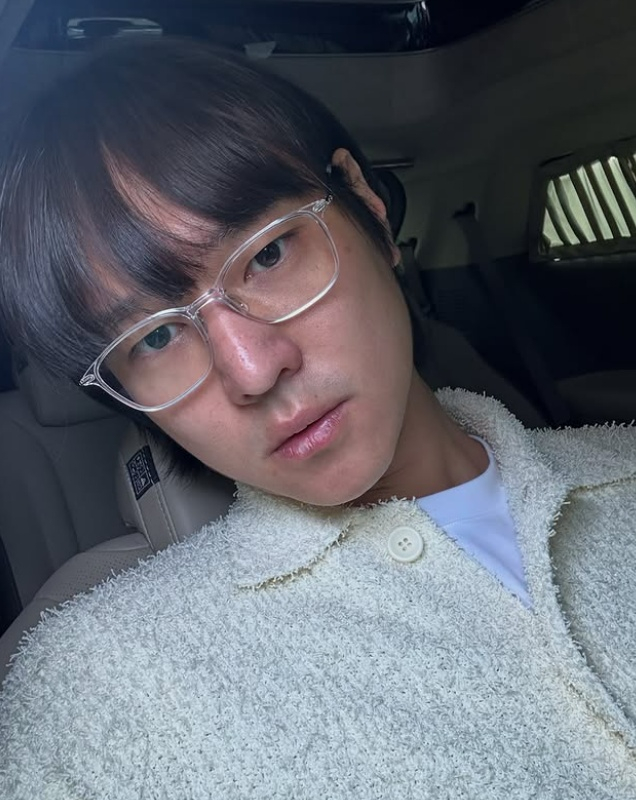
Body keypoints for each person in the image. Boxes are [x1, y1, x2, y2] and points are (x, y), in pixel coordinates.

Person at [0, 37, 635, 800]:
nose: (251, 370)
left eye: (268, 254)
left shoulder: (622, 468)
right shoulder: (99, 692)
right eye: (155, 339)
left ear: (369, 209)